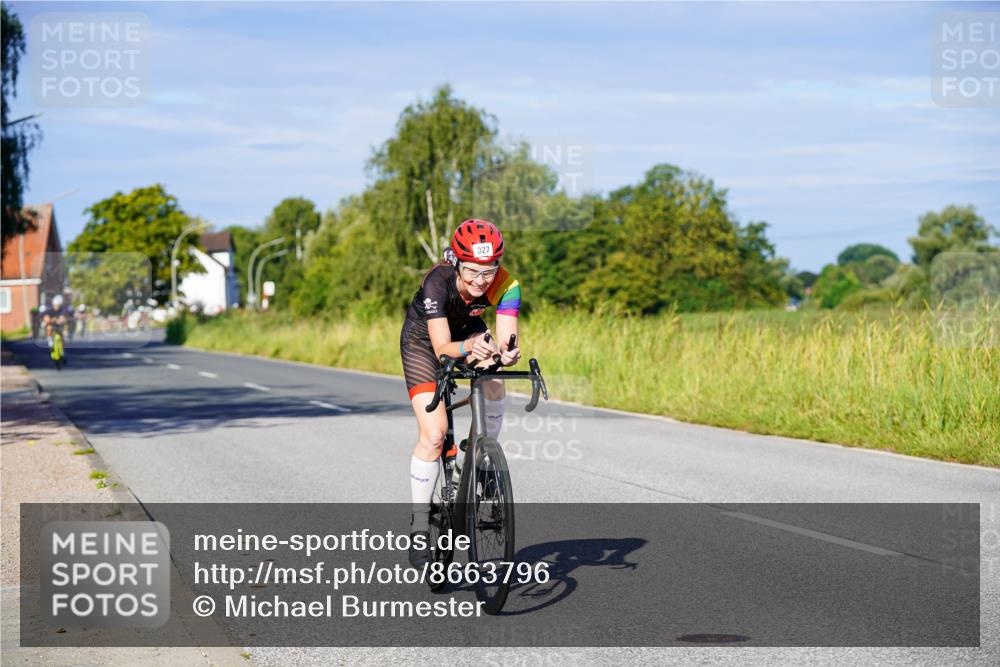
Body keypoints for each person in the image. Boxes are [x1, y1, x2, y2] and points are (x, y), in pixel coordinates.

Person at [400, 219, 522, 567]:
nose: (481, 281)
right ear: (456, 261)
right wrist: (468, 346)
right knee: (435, 433)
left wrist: (505, 352)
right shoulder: (436, 282)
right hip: (424, 342)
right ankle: (421, 524)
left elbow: (506, 338)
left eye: (489, 271)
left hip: (470, 332)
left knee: (494, 383)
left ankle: (483, 458)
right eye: (472, 271)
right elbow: (441, 347)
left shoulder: (506, 284)